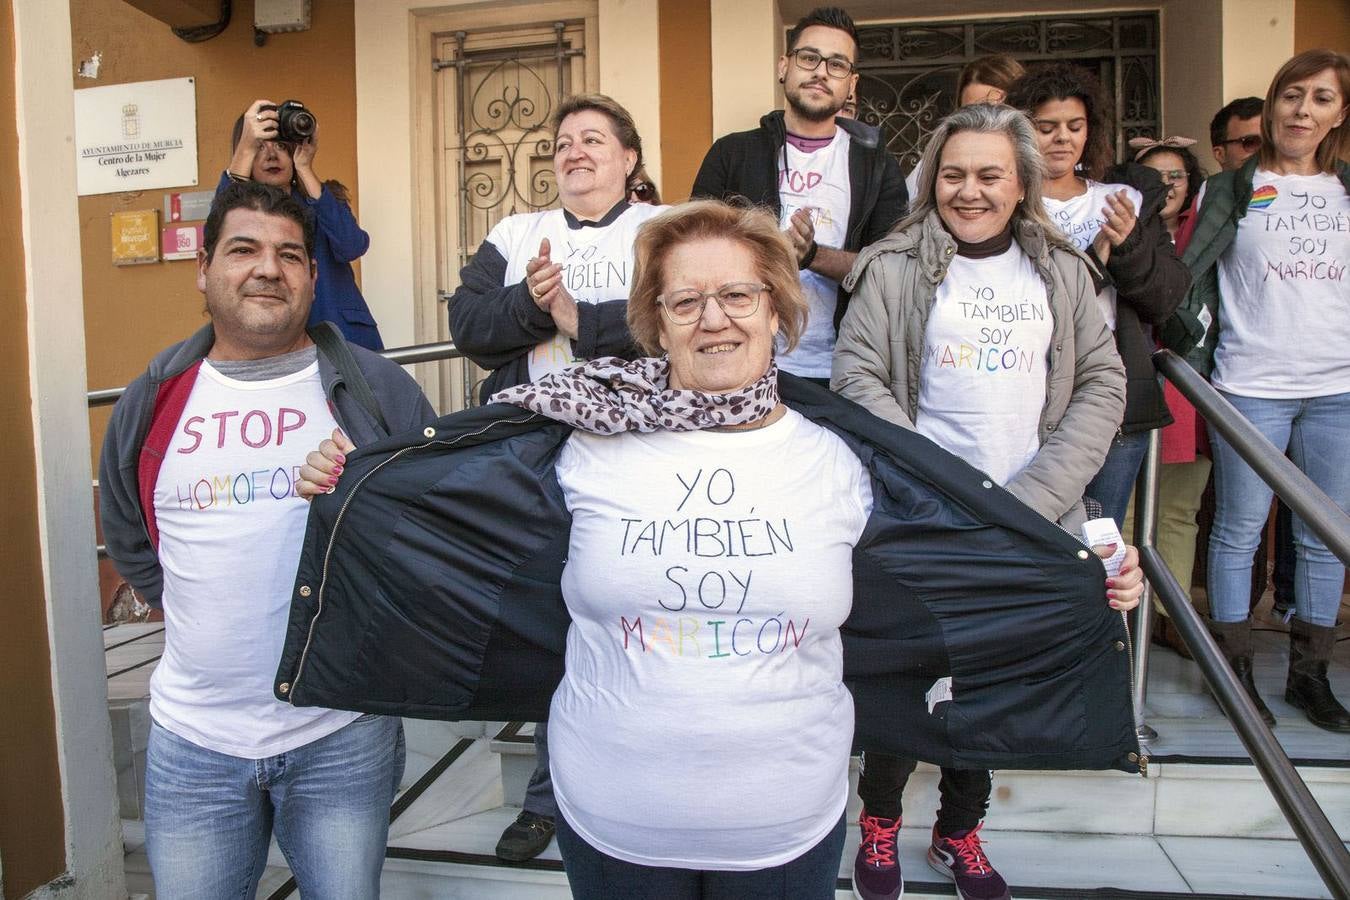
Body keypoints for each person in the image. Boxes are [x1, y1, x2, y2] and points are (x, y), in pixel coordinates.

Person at [289, 200, 1143, 900]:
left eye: (738, 296)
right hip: (611, 822)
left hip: (787, 831)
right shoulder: (574, 437)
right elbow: (442, 516)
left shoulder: (847, 454)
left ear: (777, 308)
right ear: (654, 323)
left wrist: (1082, 578)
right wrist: (350, 478)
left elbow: (956, 563)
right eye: (684, 300)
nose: (714, 319)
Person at [98, 182, 433, 897]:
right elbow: (130, 533)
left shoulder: (378, 391)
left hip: (340, 732)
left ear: (314, 278)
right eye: (243, 249)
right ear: (205, 269)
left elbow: (433, 531)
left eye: (290, 254)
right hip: (194, 741)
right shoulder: (153, 396)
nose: (268, 268)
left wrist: (362, 502)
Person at [833, 103, 1128, 900]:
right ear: (931, 179)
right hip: (918, 516)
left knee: (992, 684)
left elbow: (1103, 383)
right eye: (953, 174)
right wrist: (942, 486)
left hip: (1031, 520)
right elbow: (856, 377)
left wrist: (1028, 501)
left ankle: (961, 829)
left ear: (1022, 182)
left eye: (990, 174)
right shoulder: (890, 266)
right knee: (908, 678)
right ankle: (881, 821)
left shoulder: (1064, 272)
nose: (969, 191)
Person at [447, 91, 666, 863]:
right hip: (537, 460)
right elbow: (469, 327)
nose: (574, 152)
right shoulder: (516, 234)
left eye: (594, 139)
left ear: (630, 158)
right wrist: (536, 307)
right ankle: (551, 800)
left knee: (633, 624)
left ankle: (639, 788)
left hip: (641, 463)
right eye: (563, 141)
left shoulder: (661, 231)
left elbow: (675, 322)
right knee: (553, 630)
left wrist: (581, 317)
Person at [1162, 49, 1350, 732]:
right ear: (1272, 105)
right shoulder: (1234, 188)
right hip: (1251, 385)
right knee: (1239, 528)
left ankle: (1310, 677)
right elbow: (1189, 277)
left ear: (1339, 115)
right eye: (1292, 95)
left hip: (1339, 389)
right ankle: (1235, 672)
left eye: (1321, 99)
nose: (1303, 111)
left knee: (1327, 536)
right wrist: (1190, 353)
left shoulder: (1347, 189)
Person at [1007, 63, 1190, 526]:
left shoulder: (1122, 197)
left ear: (1092, 132)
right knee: (1034, 524)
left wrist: (1127, 244)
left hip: (1109, 387)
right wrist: (1094, 260)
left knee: (1100, 532)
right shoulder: (1002, 198)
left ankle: (1101, 604)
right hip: (1023, 385)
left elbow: (1164, 298)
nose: (1061, 138)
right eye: (1045, 127)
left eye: (1074, 126)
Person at [692, 5, 906, 386]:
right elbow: (694, 254)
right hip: (743, 367)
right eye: (809, 58)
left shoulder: (877, 167)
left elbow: (892, 271)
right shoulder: (732, 154)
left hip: (842, 371)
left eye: (837, 65)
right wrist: (764, 252)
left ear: (851, 84)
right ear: (783, 66)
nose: (821, 72)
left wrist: (813, 256)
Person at [1121, 135, 1208, 657]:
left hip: (1190, 390)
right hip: (1132, 384)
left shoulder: (1207, 238)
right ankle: (1129, 621)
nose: (1165, 187)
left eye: (1175, 176)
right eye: (1152, 177)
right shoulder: (1122, 233)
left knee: (1178, 511)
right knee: (1127, 514)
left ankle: (1172, 616)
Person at [222, 99, 383, 351]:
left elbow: (351, 246)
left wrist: (305, 167)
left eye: (282, 146)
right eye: (260, 147)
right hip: (275, 341)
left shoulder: (322, 198)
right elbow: (218, 233)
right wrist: (243, 151)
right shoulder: (237, 207)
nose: (272, 155)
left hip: (345, 337)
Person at [905, 54, 1027, 200]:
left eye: (996, 110)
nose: (983, 120)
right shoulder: (932, 166)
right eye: (972, 111)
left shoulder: (1045, 159)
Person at [1210, 96, 1264, 172]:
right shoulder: (1209, 184)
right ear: (1220, 154)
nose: (1265, 151)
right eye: (1251, 142)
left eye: (1271, 142)